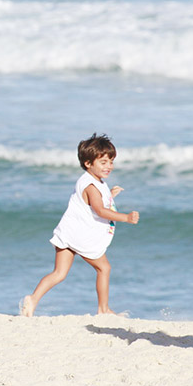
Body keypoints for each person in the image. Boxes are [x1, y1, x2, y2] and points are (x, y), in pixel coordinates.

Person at [20, 134, 139, 317]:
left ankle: (33, 299)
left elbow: (91, 205)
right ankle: (104, 309)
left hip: (69, 232)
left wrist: (110, 196)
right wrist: (126, 217)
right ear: (88, 163)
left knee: (59, 273)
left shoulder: (90, 181)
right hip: (81, 235)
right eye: (104, 162)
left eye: (111, 162)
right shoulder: (92, 185)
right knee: (104, 268)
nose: (109, 166)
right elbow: (99, 210)